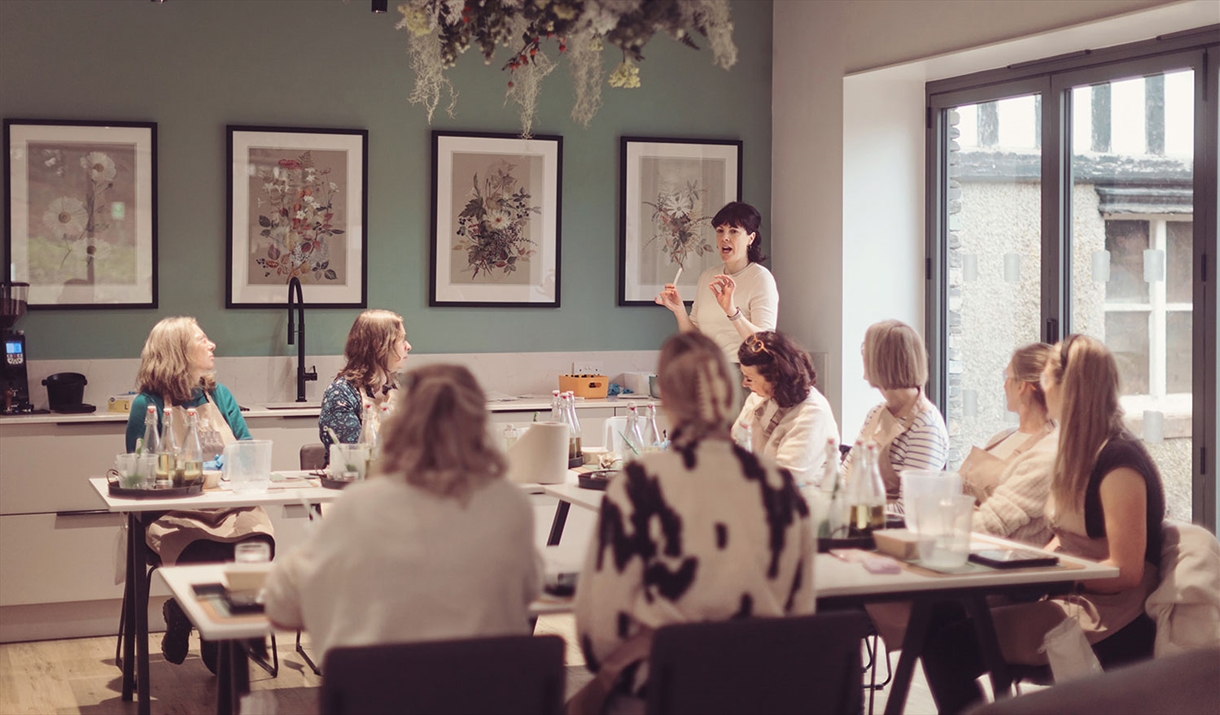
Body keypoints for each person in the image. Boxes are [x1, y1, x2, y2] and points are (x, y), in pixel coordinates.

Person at [921, 334, 1166, 714]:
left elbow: (1127, 572)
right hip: (1072, 597)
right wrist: (1033, 564)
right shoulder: (1080, 451)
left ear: (1065, 388)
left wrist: (1055, 574)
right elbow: (1064, 540)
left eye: (1047, 380)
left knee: (946, 650)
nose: (1042, 390)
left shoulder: (1119, 461)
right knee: (940, 618)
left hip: (1109, 617)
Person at [574, 332, 814, 712]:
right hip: (763, 689)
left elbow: (598, 631)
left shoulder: (640, 486)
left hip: (664, 691)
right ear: (734, 397)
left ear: (666, 400)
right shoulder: (780, 488)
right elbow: (800, 613)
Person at [263, 364, 540, 660]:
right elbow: (529, 589)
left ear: (401, 423)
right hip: (488, 690)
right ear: (479, 424)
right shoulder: (511, 505)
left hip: (382, 691)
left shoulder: (362, 504)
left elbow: (282, 606)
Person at [124, 316, 273, 672]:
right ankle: (208, 627)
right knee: (203, 553)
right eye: (202, 339)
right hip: (175, 515)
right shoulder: (147, 404)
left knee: (258, 545)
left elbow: (248, 450)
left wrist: (230, 463)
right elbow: (139, 471)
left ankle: (192, 616)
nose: (212, 345)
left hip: (230, 508)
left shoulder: (218, 395)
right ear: (178, 352)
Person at [654, 202, 779, 366]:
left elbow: (765, 344)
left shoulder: (760, 278)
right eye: (720, 231)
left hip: (747, 374)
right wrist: (679, 311)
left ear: (751, 238)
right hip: (709, 370)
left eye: (733, 231)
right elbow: (696, 339)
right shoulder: (708, 276)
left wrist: (732, 312)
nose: (724, 237)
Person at [961, 343, 1058, 546]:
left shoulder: (1046, 453)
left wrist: (936, 525)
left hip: (998, 557)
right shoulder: (1001, 437)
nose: (1004, 385)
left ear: (1022, 386)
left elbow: (995, 522)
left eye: (1008, 378)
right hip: (966, 542)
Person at [842, 319, 948, 503]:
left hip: (885, 528)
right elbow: (846, 473)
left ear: (882, 361)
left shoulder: (925, 427)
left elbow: (908, 511)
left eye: (866, 349)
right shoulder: (876, 413)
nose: (862, 355)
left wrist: (852, 512)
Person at [731, 330, 840, 488]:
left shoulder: (812, 413)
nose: (744, 384)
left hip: (807, 502)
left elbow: (784, 479)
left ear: (775, 378)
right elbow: (735, 448)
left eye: (749, 379)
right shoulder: (758, 397)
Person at [318, 309, 410, 463]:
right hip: (353, 482)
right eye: (401, 339)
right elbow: (352, 457)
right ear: (379, 345)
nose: (408, 346)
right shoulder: (341, 393)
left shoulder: (402, 388)